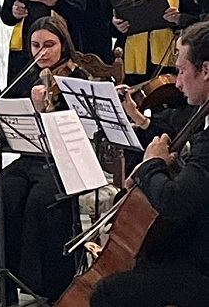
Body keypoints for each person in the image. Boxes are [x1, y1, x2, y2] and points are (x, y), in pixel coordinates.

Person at [89, 21, 209, 307]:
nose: (177, 82)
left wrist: (151, 165)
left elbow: (174, 200)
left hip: (202, 263)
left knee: (108, 293)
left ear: (206, 70)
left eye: (181, 71)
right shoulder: (200, 116)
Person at [0, 16, 87, 306]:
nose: (42, 52)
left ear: (63, 45)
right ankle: (3, 287)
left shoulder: (77, 78)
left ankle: (50, 286)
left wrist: (46, 110)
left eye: (49, 45)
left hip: (64, 159)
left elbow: (81, 129)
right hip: (31, 157)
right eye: (36, 45)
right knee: (1, 191)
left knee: (41, 200)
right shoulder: (27, 76)